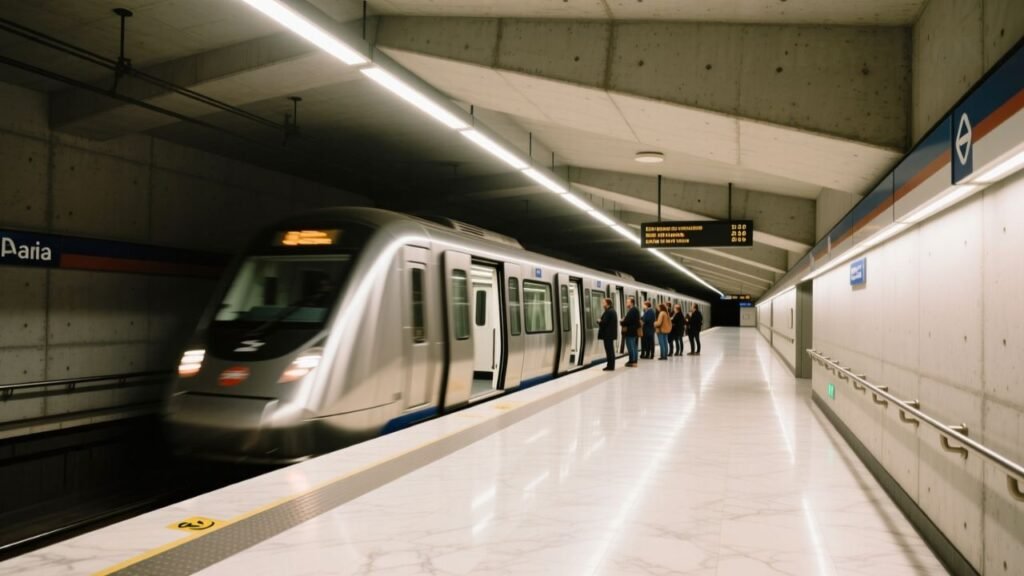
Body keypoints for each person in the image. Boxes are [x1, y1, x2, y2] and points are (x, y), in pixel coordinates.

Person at [597, 298, 618, 370]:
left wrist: (599, 321)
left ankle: (610, 366)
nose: (603, 304)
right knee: (610, 350)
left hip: (608, 335)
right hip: (609, 334)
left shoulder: (609, 312)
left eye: (604, 303)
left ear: (608, 303)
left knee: (609, 351)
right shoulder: (612, 311)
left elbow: (604, 323)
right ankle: (610, 365)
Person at [621, 297, 640, 367]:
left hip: (630, 331)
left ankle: (632, 360)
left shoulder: (632, 310)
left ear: (631, 303)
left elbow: (627, 321)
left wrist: (622, 321)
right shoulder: (635, 310)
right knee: (634, 346)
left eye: (627, 302)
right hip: (633, 331)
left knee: (630, 346)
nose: (626, 303)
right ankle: (634, 360)